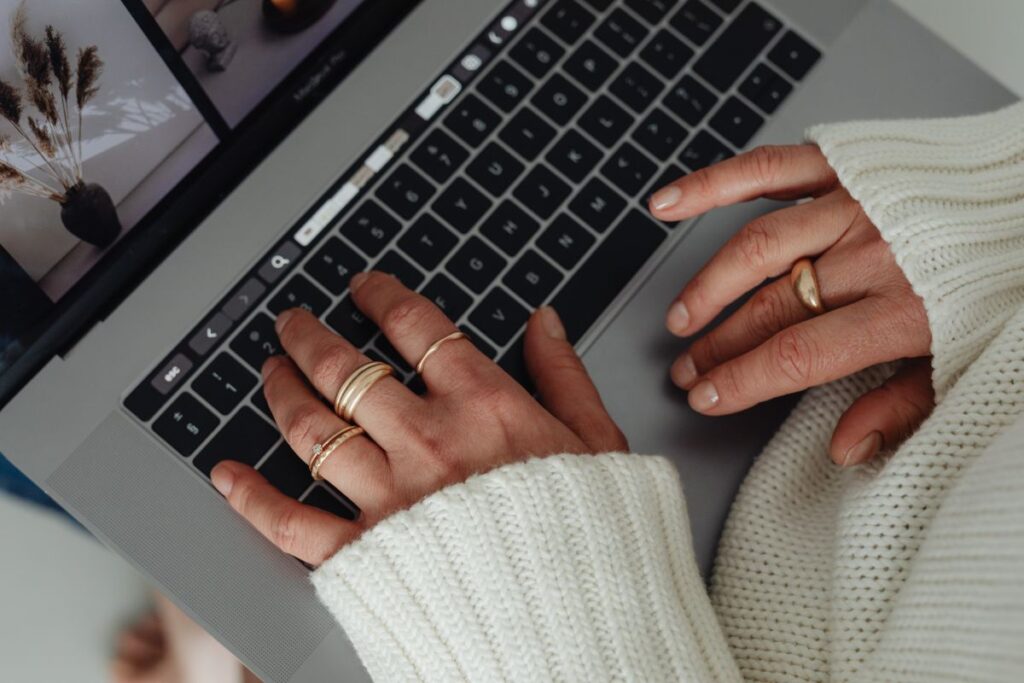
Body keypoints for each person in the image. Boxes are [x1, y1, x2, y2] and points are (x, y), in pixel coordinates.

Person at [116, 102, 1024, 681]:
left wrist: (529, 564)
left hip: (607, 614)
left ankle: (205, 633)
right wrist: (1000, 222)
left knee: (92, 419)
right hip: (907, 330)